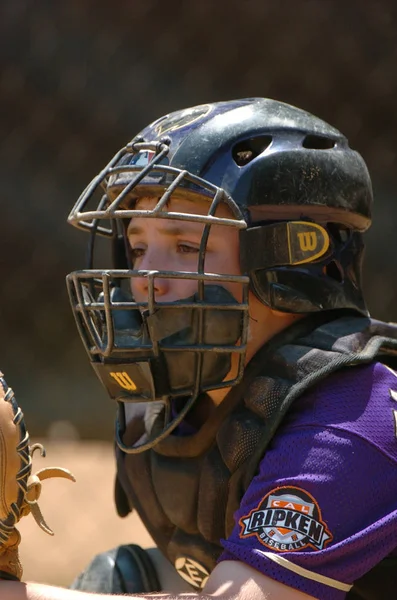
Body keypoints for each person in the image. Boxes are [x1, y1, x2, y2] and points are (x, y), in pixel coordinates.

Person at [3, 98, 397, 600]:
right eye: (139, 247)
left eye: (186, 247)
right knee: (124, 580)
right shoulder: (179, 398)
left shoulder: (352, 415)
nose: (144, 278)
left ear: (289, 258)